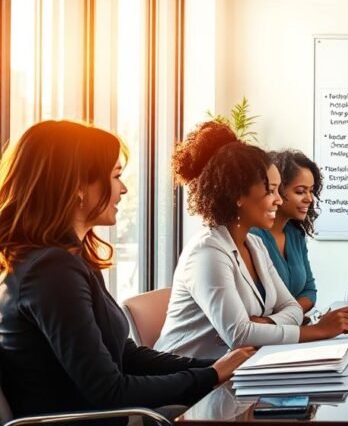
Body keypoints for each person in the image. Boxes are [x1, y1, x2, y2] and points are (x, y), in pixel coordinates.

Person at [0, 120, 254, 424]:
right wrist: (211, 375)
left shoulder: (69, 260)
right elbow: (109, 390)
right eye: (116, 176)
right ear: (78, 187)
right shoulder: (51, 272)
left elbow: (127, 356)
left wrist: (217, 367)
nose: (123, 189)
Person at [156, 122, 348, 358]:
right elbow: (239, 335)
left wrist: (264, 324)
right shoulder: (207, 252)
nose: (278, 200)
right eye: (271, 190)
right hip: (190, 381)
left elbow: (292, 308)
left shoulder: (254, 244)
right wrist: (318, 331)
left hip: (239, 370)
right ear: (238, 195)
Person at [249, 150, 321, 313]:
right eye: (300, 191)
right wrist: (291, 315)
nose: (309, 199)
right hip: (267, 333)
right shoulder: (252, 236)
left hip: (287, 329)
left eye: (311, 190)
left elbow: (310, 291)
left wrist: (289, 315)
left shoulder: (296, 234)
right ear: (277, 190)